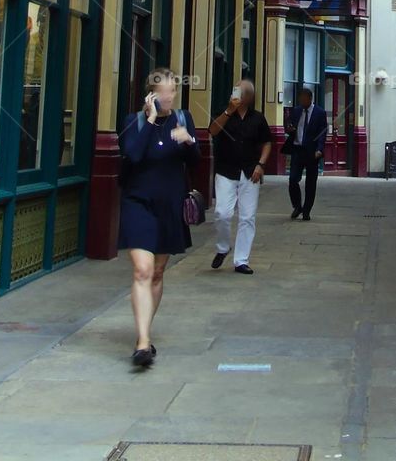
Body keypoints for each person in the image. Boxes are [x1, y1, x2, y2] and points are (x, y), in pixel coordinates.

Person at [118, 67, 200, 367]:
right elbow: (133, 155)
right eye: (165, 91)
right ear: (152, 94)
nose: (171, 96)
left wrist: (189, 140)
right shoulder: (134, 122)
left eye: (173, 90)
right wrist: (150, 120)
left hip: (169, 205)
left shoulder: (183, 119)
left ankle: (145, 331)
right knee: (142, 268)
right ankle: (142, 343)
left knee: (157, 272)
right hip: (138, 203)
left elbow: (196, 162)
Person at [208, 79, 272, 274]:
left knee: (247, 217)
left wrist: (261, 165)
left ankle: (241, 260)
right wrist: (228, 111)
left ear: (248, 97)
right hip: (226, 170)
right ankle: (223, 247)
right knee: (222, 213)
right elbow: (212, 131)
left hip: (250, 172)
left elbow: (266, 143)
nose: (234, 93)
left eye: (238, 91)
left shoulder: (258, 119)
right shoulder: (223, 111)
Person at [285, 87, 328, 220]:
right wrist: (289, 128)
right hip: (297, 149)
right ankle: (297, 206)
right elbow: (289, 125)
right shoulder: (296, 111)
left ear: (310, 99)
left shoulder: (319, 113)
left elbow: (322, 132)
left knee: (311, 182)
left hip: (312, 152)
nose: (302, 101)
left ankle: (307, 210)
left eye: (304, 98)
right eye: (300, 98)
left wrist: (319, 149)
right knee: (293, 179)